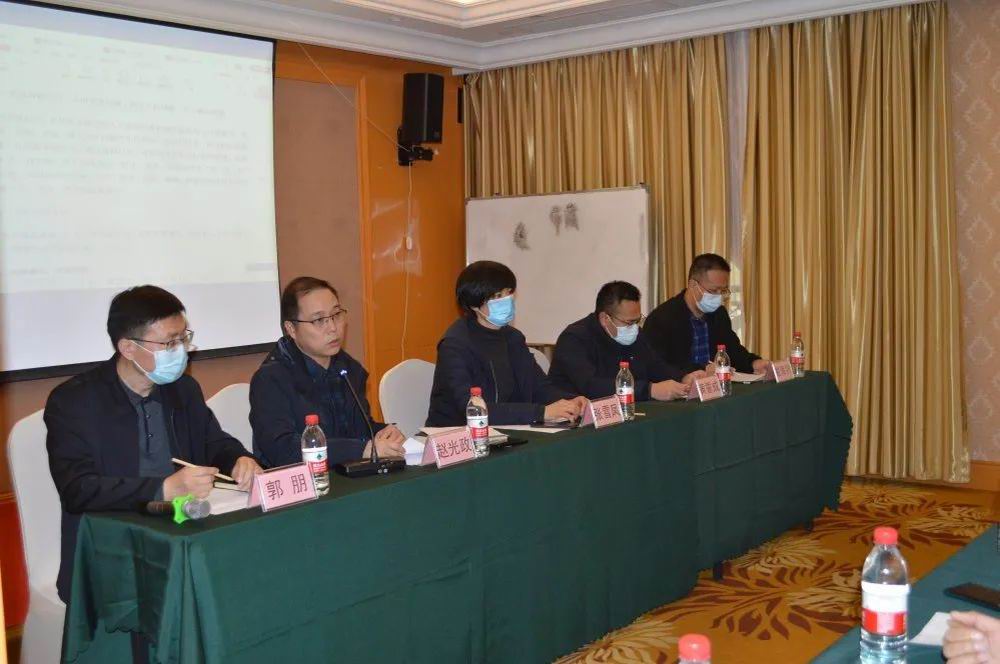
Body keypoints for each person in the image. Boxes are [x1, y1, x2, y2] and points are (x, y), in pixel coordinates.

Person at [45, 287, 261, 602]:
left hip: (181, 533)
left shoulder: (182, 389)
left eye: (183, 338)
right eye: (169, 343)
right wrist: (163, 489)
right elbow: (77, 489)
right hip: (112, 550)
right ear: (128, 348)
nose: (182, 350)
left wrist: (241, 459)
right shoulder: (74, 401)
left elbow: (214, 443)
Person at [250, 277, 405, 468]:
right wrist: (362, 450)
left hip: (346, 476)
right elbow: (283, 450)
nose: (333, 328)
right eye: (319, 320)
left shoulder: (348, 369)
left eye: (336, 314)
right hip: (300, 483)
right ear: (291, 329)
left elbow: (357, 430)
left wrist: (384, 433)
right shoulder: (270, 380)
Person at [426, 260, 587, 426]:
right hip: (457, 434)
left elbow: (538, 386)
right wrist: (540, 412)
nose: (507, 300)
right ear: (474, 304)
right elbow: (470, 408)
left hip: (507, 429)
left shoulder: (513, 338)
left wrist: (569, 400)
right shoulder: (455, 345)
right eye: (497, 296)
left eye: (508, 293)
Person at [549, 281, 705, 400]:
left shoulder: (635, 334)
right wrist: (650, 390)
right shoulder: (574, 339)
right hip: (575, 418)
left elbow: (655, 366)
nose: (634, 328)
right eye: (629, 322)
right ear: (605, 319)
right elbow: (591, 386)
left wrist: (682, 377)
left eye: (637, 320)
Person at [643, 253, 772, 375]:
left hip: (716, 386)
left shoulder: (719, 314)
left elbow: (733, 351)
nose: (718, 296)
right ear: (693, 285)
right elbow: (657, 367)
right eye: (713, 290)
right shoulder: (661, 319)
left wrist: (753, 363)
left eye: (722, 290)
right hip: (681, 387)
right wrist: (703, 369)